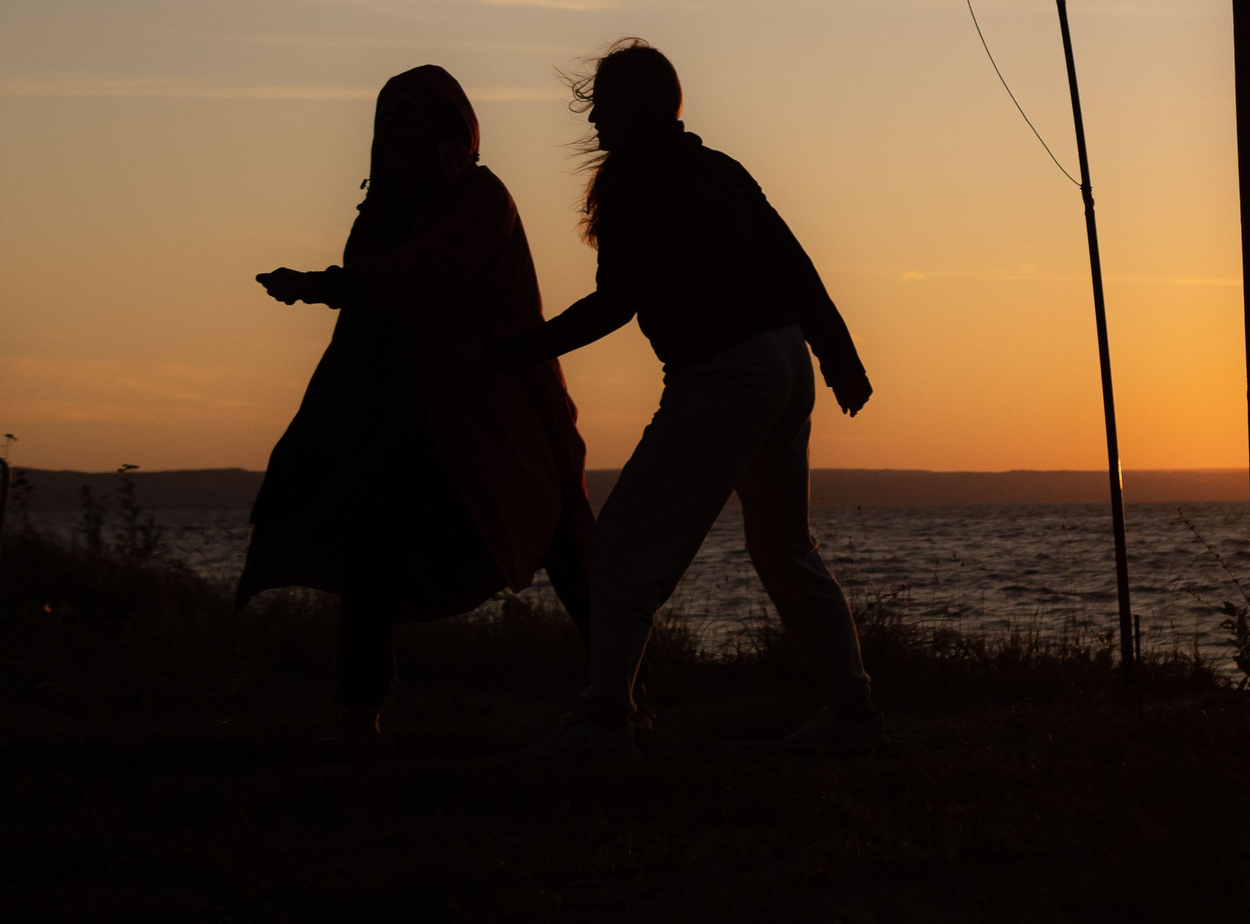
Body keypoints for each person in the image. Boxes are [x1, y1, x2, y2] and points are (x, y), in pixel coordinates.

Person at [491, 37, 880, 757]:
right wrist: (837, 355)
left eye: (603, 107)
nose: (595, 122)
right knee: (785, 551)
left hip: (726, 371)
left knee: (628, 546)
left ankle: (608, 717)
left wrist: (515, 351)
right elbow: (792, 261)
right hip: (784, 362)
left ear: (636, 108)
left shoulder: (637, 181)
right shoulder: (717, 169)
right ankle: (852, 713)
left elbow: (615, 305)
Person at [241, 65, 595, 758]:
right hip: (403, 416)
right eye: (389, 123)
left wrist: (325, 286)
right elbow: (377, 312)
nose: (397, 136)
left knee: (563, 543)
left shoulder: (482, 198)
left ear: (448, 137)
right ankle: (358, 713)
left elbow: (435, 269)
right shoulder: (377, 216)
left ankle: (623, 694)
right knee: (370, 545)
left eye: (413, 122)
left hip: (500, 412)